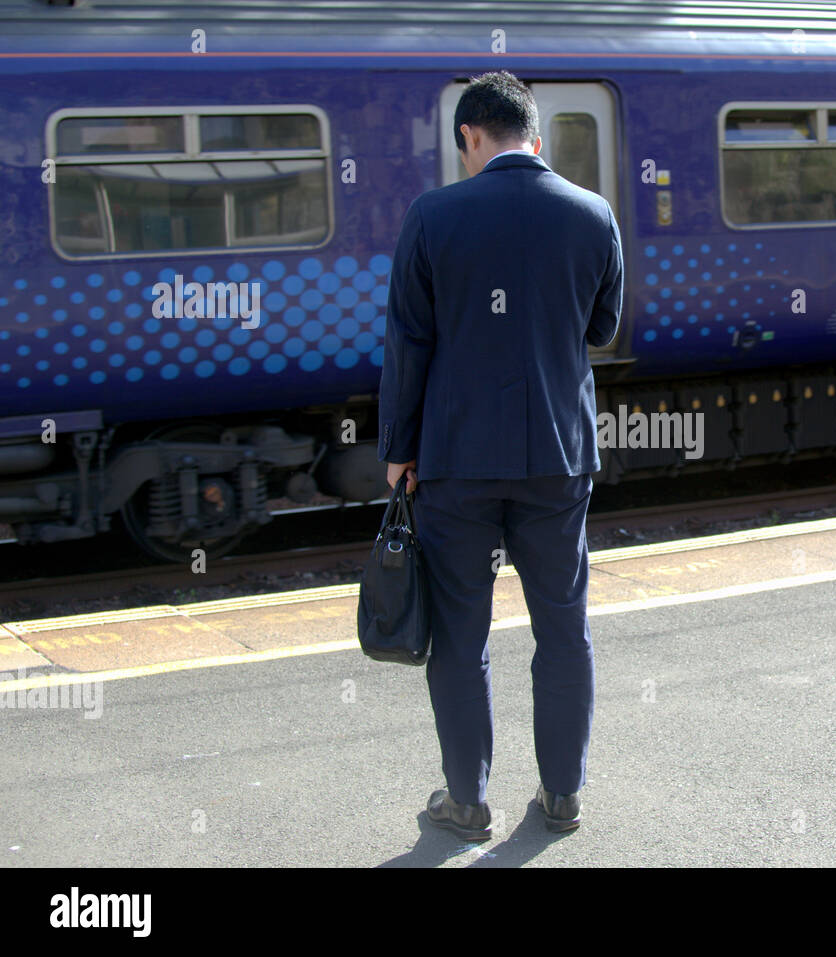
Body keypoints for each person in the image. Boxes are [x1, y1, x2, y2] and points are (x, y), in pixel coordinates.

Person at [376, 70, 623, 841]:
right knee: (564, 628)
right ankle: (562, 796)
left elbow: (408, 343)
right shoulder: (592, 214)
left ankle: (466, 800)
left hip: (456, 460)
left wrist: (397, 451)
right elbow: (603, 328)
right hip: (558, 456)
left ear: (469, 137)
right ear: (537, 138)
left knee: (460, 634)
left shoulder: (433, 215)